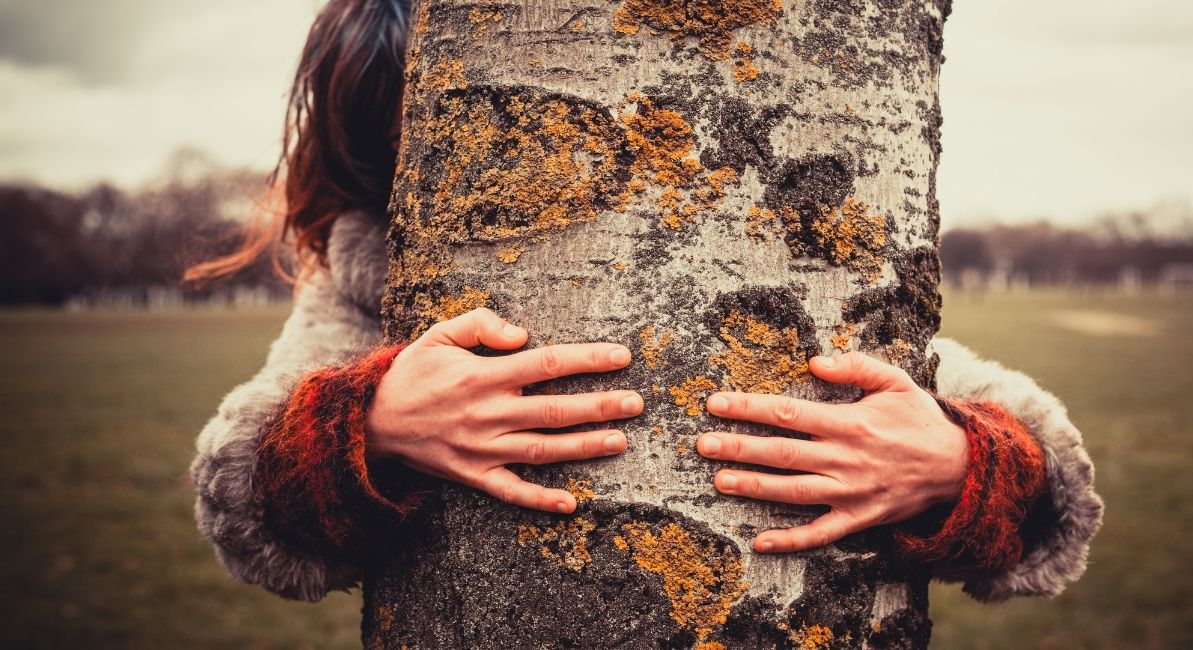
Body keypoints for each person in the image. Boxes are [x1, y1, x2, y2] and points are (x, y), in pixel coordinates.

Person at [189, 0, 1102, 608]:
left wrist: (959, 463)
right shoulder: (361, 286)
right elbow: (244, 503)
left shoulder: (738, 249)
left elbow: (1048, 490)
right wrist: (369, 423)